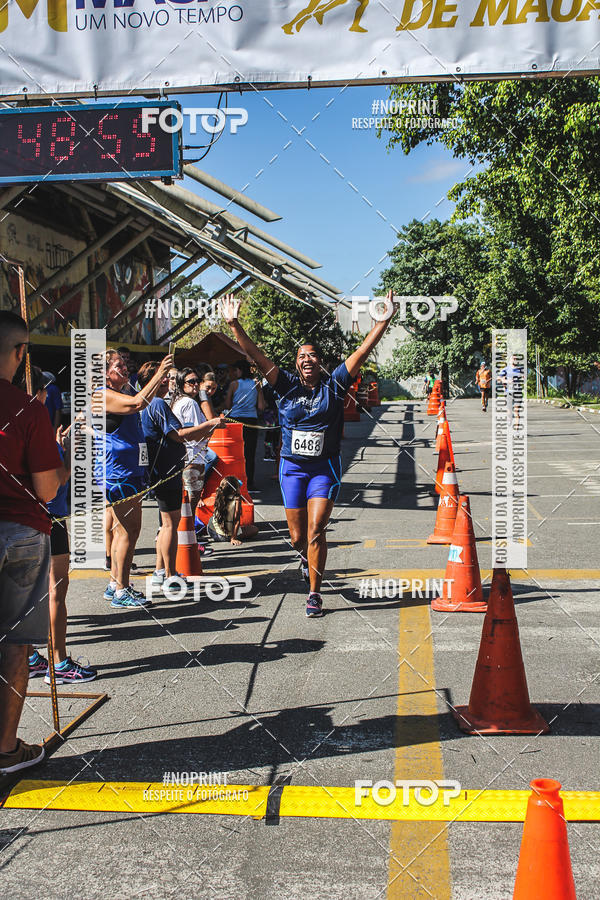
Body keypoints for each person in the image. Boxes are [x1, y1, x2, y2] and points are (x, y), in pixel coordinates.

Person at [222, 291, 397, 617]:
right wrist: (234, 325)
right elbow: (257, 356)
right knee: (297, 535)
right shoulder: (284, 384)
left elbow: (361, 351)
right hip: (292, 469)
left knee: (317, 530)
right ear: (296, 362)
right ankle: (305, 556)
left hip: (324, 469)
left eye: (313, 355)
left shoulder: (335, 384)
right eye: (301, 355)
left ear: (321, 362)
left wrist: (382, 323)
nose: (307, 359)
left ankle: (314, 593)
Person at [0, 311, 64, 774]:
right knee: (15, 643)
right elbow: (46, 490)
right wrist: (62, 458)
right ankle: (5, 749)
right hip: (21, 531)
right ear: (21, 353)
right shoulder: (28, 408)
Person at [22, 368, 97, 684]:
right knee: (55, 593)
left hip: (22, 520)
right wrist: (71, 455)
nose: (48, 396)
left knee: (26, 595)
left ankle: (29, 657)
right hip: (50, 518)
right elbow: (53, 482)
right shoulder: (34, 420)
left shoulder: (16, 423)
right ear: (38, 392)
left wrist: (59, 444)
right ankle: (60, 663)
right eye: (45, 391)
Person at [95, 349, 173, 609]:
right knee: (129, 530)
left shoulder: (124, 390)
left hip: (128, 469)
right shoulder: (102, 394)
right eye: (118, 365)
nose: (125, 368)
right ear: (105, 373)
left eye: (125, 364)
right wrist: (160, 372)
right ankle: (122, 589)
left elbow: (145, 399)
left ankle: (115, 583)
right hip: (119, 471)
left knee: (122, 530)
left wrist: (158, 384)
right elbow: (137, 404)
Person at [137, 361, 222, 588]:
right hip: (167, 469)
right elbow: (180, 434)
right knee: (170, 525)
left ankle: (159, 571)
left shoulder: (148, 403)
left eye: (169, 377)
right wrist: (211, 424)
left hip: (161, 469)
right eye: (164, 377)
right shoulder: (156, 403)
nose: (169, 381)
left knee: (166, 524)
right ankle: (170, 574)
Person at [170, 367, 211, 528]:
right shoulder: (189, 403)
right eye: (191, 382)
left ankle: (187, 540)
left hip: (185, 456)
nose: (195, 385)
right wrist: (210, 429)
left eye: (197, 381)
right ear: (182, 384)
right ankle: (190, 542)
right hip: (193, 457)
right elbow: (195, 432)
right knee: (190, 503)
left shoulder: (180, 401)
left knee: (185, 503)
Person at [225, 359, 265, 490]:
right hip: (251, 421)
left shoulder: (234, 384)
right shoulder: (256, 384)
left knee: (236, 452)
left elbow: (228, 405)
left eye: (235, 370)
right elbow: (261, 406)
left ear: (240, 370)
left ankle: (235, 480)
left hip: (235, 420)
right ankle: (250, 481)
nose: (234, 373)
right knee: (250, 452)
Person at [207, 476, 259, 545]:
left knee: (212, 518)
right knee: (254, 529)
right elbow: (236, 520)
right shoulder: (237, 499)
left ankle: (229, 533)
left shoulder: (219, 495)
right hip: (225, 536)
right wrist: (233, 538)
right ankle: (232, 536)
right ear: (235, 490)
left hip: (212, 531)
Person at [498, 354, 525, 426]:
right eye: (513, 359)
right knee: (509, 411)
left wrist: (523, 378)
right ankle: (509, 419)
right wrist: (506, 381)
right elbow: (499, 378)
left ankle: (517, 430)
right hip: (509, 392)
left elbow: (524, 378)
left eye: (516, 359)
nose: (514, 360)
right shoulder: (506, 369)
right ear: (509, 361)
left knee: (517, 411)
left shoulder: (520, 369)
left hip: (518, 392)